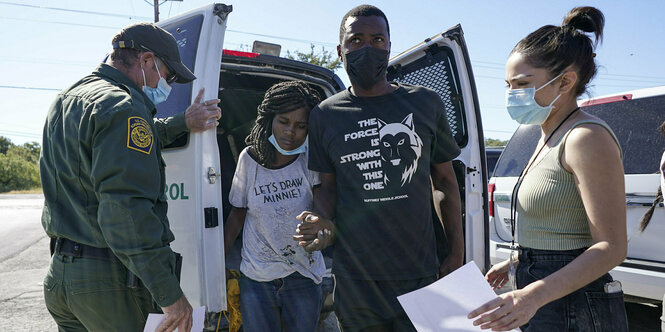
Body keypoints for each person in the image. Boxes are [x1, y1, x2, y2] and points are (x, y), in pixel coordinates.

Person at [40, 23, 221, 332]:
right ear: (146, 60)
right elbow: (126, 213)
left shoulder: (70, 97)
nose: (170, 84)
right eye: (169, 74)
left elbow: (115, 144)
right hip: (108, 284)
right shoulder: (124, 107)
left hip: (62, 278)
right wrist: (169, 294)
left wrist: (182, 122)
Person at [292, 5, 464, 331]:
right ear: (340, 50)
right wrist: (319, 220)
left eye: (377, 39)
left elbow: (444, 181)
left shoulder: (425, 103)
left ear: (388, 46)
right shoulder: (325, 115)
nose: (367, 48)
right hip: (355, 279)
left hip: (420, 274)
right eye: (356, 40)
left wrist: (456, 254)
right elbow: (328, 187)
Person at [468, 7, 629, 331]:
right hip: (547, 295)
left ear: (565, 81)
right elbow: (563, 227)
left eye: (522, 83)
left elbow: (611, 247)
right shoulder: (547, 135)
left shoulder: (585, 138)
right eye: (508, 84)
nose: (512, 94)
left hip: (574, 307)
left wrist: (533, 295)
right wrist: (517, 262)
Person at [223, 81, 325, 331]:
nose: (291, 132)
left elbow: (325, 207)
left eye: (301, 126)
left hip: (303, 276)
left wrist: (321, 228)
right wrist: (218, 265)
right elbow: (238, 213)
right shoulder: (249, 159)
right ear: (269, 119)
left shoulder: (310, 158)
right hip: (257, 278)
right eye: (283, 121)